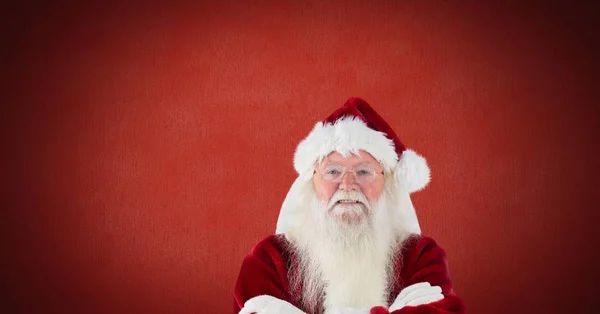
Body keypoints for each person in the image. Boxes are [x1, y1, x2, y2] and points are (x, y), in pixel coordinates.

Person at [233, 97, 465, 314]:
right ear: (311, 181)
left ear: (387, 184)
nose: (347, 184)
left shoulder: (421, 257)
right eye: (333, 171)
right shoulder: (269, 260)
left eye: (364, 171)